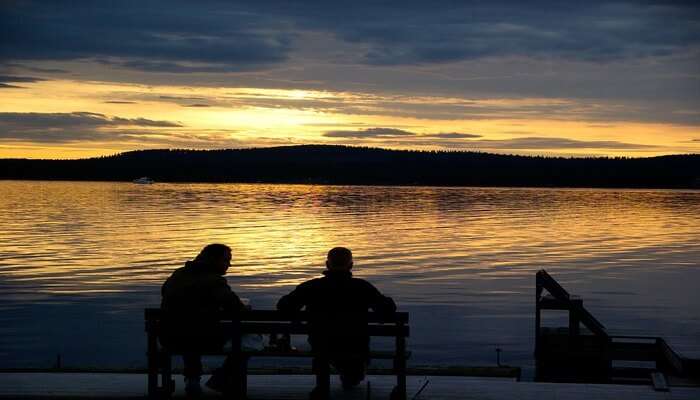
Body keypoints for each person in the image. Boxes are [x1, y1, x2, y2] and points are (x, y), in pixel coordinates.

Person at [277, 247, 396, 398]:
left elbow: (283, 306)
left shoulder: (312, 287)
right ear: (351, 266)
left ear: (327, 264)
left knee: (324, 350)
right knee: (353, 367)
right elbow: (387, 310)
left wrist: (300, 315)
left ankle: (325, 384)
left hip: (321, 343)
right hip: (355, 344)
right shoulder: (362, 287)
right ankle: (350, 374)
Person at [160, 243, 247, 397]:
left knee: (188, 328)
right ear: (214, 260)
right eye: (226, 260)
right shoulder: (215, 281)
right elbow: (235, 308)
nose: (229, 265)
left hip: (169, 337)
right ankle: (222, 378)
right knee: (248, 339)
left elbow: (164, 293)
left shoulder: (178, 275)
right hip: (206, 338)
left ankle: (192, 379)